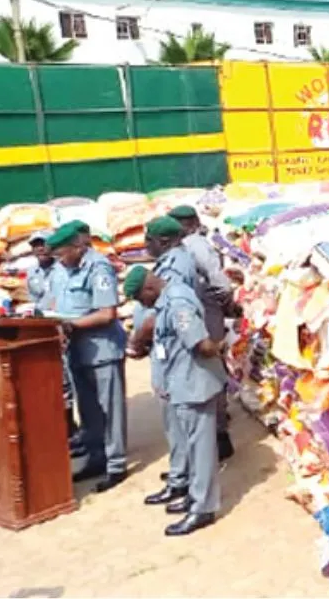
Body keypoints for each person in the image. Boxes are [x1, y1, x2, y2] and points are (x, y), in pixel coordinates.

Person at [124, 266, 225, 536]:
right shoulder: (168, 299)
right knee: (191, 446)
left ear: (148, 288)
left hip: (194, 384)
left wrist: (223, 345)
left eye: (141, 299)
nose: (143, 305)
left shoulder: (178, 301)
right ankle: (194, 495)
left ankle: (203, 508)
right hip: (181, 383)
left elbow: (201, 345)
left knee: (201, 449)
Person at [46, 221, 128, 492]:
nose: (59, 260)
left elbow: (107, 313)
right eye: (56, 255)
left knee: (110, 409)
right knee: (89, 409)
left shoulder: (98, 267)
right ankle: (96, 457)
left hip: (102, 349)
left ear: (78, 247)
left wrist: (71, 325)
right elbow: (49, 304)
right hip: (75, 351)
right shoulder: (59, 270)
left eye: (62, 253)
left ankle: (116, 464)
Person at [128, 216, 198, 507]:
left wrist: (140, 336)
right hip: (161, 347)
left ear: (165, 242)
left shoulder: (175, 267)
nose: (146, 246)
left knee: (177, 420)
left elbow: (169, 309)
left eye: (150, 241)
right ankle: (180, 474)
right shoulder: (170, 261)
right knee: (173, 421)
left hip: (169, 350)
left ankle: (183, 481)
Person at [168, 205, 235, 462]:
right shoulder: (183, 246)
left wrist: (221, 301)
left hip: (205, 313)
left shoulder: (195, 244)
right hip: (197, 312)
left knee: (210, 370)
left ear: (189, 224)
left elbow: (218, 280)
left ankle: (220, 435)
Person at [28, 229, 83, 456]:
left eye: (43, 244)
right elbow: (35, 301)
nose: (40, 248)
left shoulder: (64, 270)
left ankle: (72, 429)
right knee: (53, 380)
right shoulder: (31, 273)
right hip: (43, 330)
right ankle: (63, 429)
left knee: (68, 382)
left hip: (65, 328)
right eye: (35, 245)